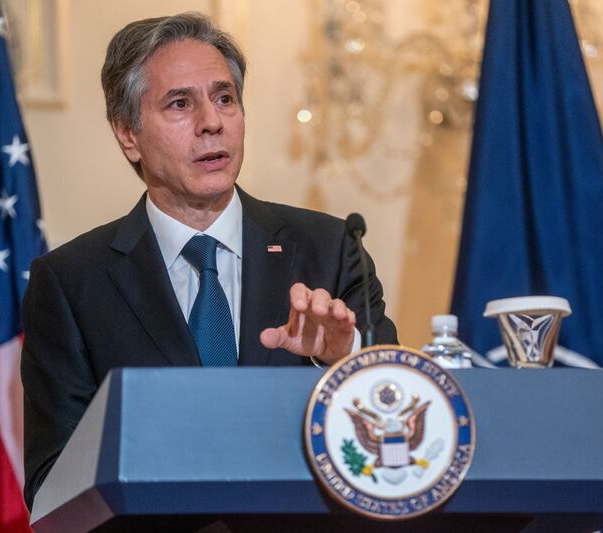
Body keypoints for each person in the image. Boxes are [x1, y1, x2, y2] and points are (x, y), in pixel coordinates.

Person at [20, 12, 397, 509]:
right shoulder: (70, 282)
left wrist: (344, 355)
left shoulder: (330, 247)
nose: (212, 122)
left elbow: (396, 428)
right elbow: (53, 489)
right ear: (127, 134)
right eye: (180, 104)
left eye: (225, 98)